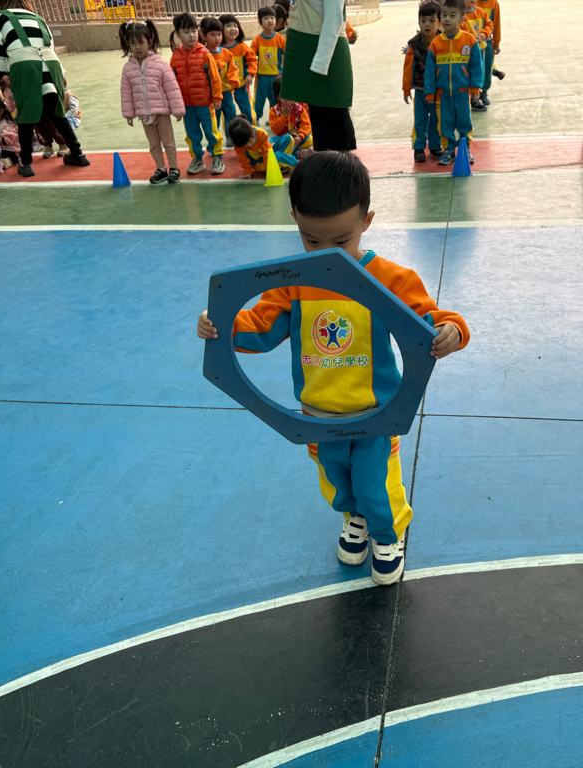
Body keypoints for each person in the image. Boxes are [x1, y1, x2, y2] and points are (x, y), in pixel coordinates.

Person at [195, 152, 469, 586]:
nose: (325, 256)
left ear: (366, 222)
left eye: (340, 243)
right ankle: (353, 518)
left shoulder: (389, 279)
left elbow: (429, 320)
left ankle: (386, 535)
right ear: (295, 221)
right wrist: (222, 325)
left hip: (376, 413)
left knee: (376, 485)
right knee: (336, 483)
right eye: (312, 241)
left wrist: (452, 330)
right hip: (318, 415)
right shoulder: (292, 283)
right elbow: (261, 329)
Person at [0, 0, 90, 177]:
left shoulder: (1, 18)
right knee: (57, 112)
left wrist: (5, 75)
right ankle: (78, 154)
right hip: (52, 64)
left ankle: (26, 163)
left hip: (24, 65)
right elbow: (50, 44)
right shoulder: (37, 18)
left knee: (26, 116)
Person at [279, 0, 357, 151]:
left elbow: (333, 19)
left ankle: (342, 163)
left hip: (327, 55)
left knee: (333, 115)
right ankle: (324, 160)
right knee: (318, 116)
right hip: (308, 53)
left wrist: (321, 63)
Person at [120, 20, 185, 183]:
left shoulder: (161, 65)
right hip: (144, 115)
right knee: (154, 144)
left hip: (161, 112)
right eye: (132, 43)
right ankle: (161, 169)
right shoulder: (127, 69)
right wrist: (129, 114)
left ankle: (174, 168)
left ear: (149, 42)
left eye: (141, 42)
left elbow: (172, 88)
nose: (137, 47)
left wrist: (178, 110)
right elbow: (126, 93)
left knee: (168, 143)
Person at [425, 0, 483, 165]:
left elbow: (476, 66)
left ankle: (466, 148)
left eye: (452, 16)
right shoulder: (436, 43)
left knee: (465, 121)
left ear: (462, 19)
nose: (447, 19)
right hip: (442, 94)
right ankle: (449, 148)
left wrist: (475, 88)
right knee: (445, 123)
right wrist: (430, 91)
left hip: (463, 93)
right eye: (444, 15)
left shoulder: (469, 41)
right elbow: (429, 71)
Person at [171, 13, 225, 175]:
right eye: (186, 32)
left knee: (211, 132)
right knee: (192, 135)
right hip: (187, 106)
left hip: (205, 104)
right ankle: (197, 160)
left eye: (194, 31)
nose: (191, 35)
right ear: (178, 34)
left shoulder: (204, 54)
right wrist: (174, 103)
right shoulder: (176, 56)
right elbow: (172, 81)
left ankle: (217, 157)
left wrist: (217, 97)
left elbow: (215, 78)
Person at [403, 1, 443, 162]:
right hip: (420, 91)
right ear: (418, 22)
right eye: (423, 21)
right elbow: (408, 69)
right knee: (420, 120)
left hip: (438, 90)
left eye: (432, 21)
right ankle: (419, 147)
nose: (427, 25)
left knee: (436, 119)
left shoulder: (444, 42)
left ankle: (435, 146)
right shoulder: (414, 45)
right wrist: (406, 89)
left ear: (440, 22)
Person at [202, 16, 241, 140]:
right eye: (213, 35)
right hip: (212, 96)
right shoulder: (203, 55)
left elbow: (233, 69)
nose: (217, 38)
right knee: (215, 119)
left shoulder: (226, 53)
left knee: (231, 115)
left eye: (219, 34)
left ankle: (230, 138)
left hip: (227, 93)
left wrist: (234, 80)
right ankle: (216, 140)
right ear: (204, 36)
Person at [227, 114, 295, 177]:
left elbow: (267, 152)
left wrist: (269, 168)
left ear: (252, 131)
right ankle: (296, 165)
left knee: (288, 138)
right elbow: (243, 160)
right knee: (277, 156)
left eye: (250, 141)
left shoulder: (261, 133)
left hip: (269, 153)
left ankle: (280, 164)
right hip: (258, 163)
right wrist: (247, 172)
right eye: (245, 144)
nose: (249, 145)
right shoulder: (239, 144)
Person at [251, 6, 287, 123]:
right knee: (259, 100)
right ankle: (256, 120)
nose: (270, 21)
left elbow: (289, 54)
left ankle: (274, 120)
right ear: (260, 22)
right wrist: (250, 73)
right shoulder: (257, 40)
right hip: (261, 77)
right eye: (266, 18)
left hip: (277, 76)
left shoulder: (280, 39)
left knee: (275, 100)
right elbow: (250, 57)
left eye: (272, 17)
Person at [219, 14, 257, 123]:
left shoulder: (243, 47)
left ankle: (250, 129)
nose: (233, 29)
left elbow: (253, 61)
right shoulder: (218, 50)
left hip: (241, 87)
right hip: (225, 90)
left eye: (235, 26)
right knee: (229, 116)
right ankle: (230, 133)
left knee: (248, 113)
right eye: (228, 26)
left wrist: (250, 74)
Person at [269, 75, 313, 158]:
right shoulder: (274, 111)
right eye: (284, 97)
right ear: (278, 96)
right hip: (282, 140)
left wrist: (300, 136)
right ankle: (294, 153)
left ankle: (289, 152)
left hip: (297, 140)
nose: (288, 100)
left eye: (290, 96)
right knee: (272, 140)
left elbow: (306, 125)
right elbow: (276, 129)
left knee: (310, 139)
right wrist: (283, 116)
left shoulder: (300, 109)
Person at [461, 0, 493, 111]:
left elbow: (489, 24)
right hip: (466, 52)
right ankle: (472, 97)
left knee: (481, 72)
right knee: (468, 73)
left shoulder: (482, 13)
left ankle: (479, 94)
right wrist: (471, 38)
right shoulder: (459, 15)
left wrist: (483, 35)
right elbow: (460, 29)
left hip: (480, 49)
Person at [473, 0, 499, 105]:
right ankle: (475, 93)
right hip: (471, 44)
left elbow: (495, 24)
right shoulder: (470, 3)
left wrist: (496, 43)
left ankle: (483, 92)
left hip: (487, 41)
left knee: (487, 68)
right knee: (475, 69)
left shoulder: (493, 3)